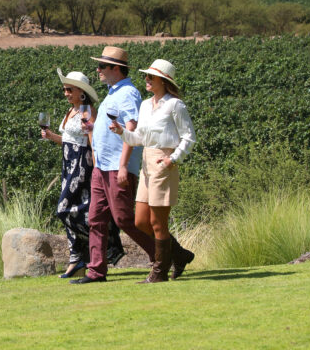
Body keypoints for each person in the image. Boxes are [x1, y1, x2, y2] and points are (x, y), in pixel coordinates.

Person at [71, 46, 156, 284]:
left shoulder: (128, 93)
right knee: (96, 219)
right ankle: (96, 271)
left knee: (124, 219)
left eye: (102, 66)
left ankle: (163, 254)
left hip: (116, 167)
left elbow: (131, 127)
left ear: (116, 69)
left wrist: (122, 166)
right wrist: (92, 128)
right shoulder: (112, 92)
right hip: (102, 167)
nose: (97, 70)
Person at [109, 59, 196, 282]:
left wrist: (172, 159)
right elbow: (139, 138)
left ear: (163, 81)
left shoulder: (175, 105)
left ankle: (159, 272)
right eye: (146, 76)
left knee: (158, 223)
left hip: (163, 161)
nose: (146, 80)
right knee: (140, 222)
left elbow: (189, 137)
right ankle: (180, 255)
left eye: (151, 77)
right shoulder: (146, 105)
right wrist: (121, 132)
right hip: (147, 161)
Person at [41, 69, 125, 278]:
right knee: (74, 210)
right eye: (64, 89)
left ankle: (99, 246)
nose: (66, 93)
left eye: (70, 89)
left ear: (82, 92)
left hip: (81, 164)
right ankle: (76, 258)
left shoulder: (86, 111)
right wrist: (52, 136)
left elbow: (91, 140)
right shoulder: (71, 111)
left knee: (64, 209)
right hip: (67, 163)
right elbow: (69, 140)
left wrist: (97, 166)